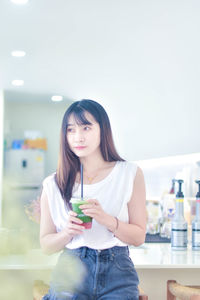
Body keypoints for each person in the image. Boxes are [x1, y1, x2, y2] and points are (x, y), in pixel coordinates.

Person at [40, 99, 146, 300]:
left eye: (86, 127)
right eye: (70, 130)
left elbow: (139, 237)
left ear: (102, 129)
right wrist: (67, 233)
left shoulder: (129, 174)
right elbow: (46, 245)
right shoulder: (53, 184)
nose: (78, 137)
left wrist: (108, 220)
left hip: (118, 272)